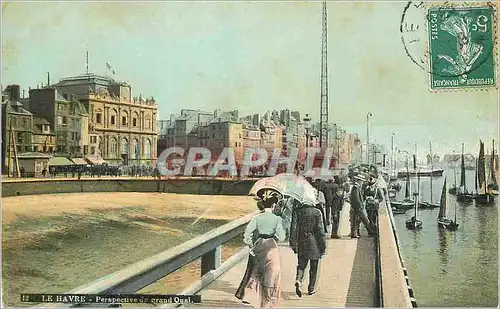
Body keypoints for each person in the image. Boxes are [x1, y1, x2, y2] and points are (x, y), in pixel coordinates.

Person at [236, 194, 285, 307]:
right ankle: (268, 302)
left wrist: (252, 244)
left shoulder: (257, 218)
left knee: (257, 273)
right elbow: (281, 237)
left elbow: (247, 234)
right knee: (272, 273)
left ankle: (254, 298)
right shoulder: (277, 219)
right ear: (273, 205)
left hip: (259, 244)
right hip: (271, 245)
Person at [290, 200, 326, 297]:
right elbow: (320, 231)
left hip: (301, 242)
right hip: (314, 243)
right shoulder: (317, 212)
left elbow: (293, 228)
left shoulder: (298, 211)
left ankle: (298, 279)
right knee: (313, 267)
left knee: (301, 265)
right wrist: (323, 247)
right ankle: (311, 288)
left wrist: (293, 243)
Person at [349, 174, 365, 238]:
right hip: (356, 207)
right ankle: (354, 234)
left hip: (356, 207)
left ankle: (355, 233)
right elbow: (356, 198)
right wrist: (359, 205)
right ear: (359, 181)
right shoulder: (356, 187)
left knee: (356, 220)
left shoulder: (356, 187)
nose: (362, 183)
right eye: (362, 181)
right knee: (355, 220)